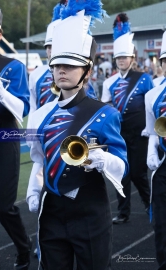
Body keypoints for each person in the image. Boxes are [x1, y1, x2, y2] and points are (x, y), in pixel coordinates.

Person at [26, 2, 128, 269]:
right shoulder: (39, 116)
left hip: (90, 213)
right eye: (57, 64)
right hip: (51, 214)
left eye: (70, 65)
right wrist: (33, 190)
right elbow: (39, 160)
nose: (62, 70)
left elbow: (122, 164)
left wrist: (104, 159)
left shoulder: (105, 113)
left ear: (88, 70)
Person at [0, 1, 31, 269]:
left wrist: (1, 92)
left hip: (3, 140)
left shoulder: (12, 67)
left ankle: (23, 247)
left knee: (3, 207)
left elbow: (21, 109)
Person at [101, 13, 154, 224]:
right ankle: (123, 213)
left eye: (125, 57)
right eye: (119, 58)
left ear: (132, 59)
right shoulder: (109, 83)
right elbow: (107, 108)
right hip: (119, 135)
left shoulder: (144, 78)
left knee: (140, 175)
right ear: (115, 60)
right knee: (121, 174)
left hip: (140, 134)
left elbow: (150, 104)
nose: (122, 60)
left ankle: (152, 208)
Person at [145, 31, 166, 270]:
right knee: (162, 225)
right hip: (163, 165)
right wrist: (151, 152)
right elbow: (152, 130)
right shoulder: (152, 95)